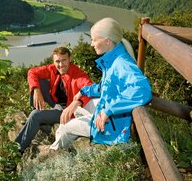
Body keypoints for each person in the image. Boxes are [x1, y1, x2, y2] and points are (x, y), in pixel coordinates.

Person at [50, 17, 152, 150]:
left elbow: (143, 90)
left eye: (94, 40)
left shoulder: (121, 64)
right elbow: (105, 87)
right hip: (110, 114)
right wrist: (83, 91)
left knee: (64, 127)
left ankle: (54, 151)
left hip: (112, 128)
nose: (92, 44)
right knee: (80, 107)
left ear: (107, 41)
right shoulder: (113, 60)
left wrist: (108, 111)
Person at [14, 46, 94, 154]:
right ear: (53, 61)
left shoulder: (78, 75)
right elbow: (32, 72)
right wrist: (36, 90)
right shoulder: (53, 69)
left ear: (70, 59)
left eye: (64, 60)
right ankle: (34, 121)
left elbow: (90, 88)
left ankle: (17, 151)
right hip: (55, 102)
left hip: (66, 111)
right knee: (39, 83)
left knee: (35, 115)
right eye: (57, 61)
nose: (61, 65)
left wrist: (77, 101)